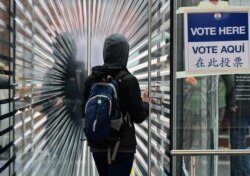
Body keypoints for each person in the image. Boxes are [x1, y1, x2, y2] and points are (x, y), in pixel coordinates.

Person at [82, 33, 150, 176]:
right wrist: (145, 103)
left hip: (98, 144)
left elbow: (84, 112)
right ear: (124, 53)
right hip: (123, 146)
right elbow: (139, 116)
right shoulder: (129, 80)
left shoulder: (91, 79)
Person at [227, 74, 250, 176]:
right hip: (244, 104)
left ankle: (243, 173)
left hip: (242, 105)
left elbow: (241, 80)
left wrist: (234, 101)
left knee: (238, 141)